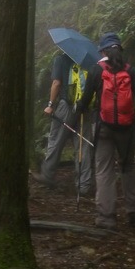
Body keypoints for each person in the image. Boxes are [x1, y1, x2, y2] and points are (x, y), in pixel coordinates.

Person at [74, 31, 135, 230]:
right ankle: (134, 212)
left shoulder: (96, 71)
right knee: (128, 166)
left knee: (104, 170)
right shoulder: (130, 71)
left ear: (102, 50)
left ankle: (106, 217)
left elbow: (85, 100)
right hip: (126, 129)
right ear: (119, 49)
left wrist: (77, 112)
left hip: (103, 127)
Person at [31, 49, 95, 195]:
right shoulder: (86, 62)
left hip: (66, 106)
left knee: (56, 140)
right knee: (83, 146)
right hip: (84, 108)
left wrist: (50, 104)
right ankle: (83, 185)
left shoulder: (61, 59)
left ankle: (47, 175)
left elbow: (56, 83)